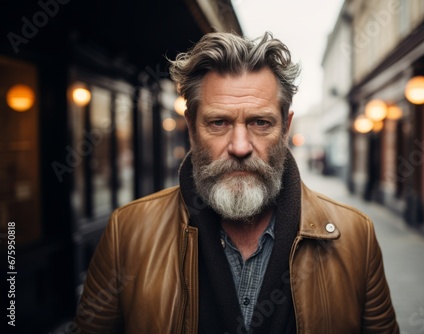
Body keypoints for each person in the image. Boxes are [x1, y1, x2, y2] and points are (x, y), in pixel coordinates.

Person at [75, 31, 399, 333]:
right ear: (191, 126)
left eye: (261, 123)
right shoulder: (127, 234)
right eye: (218, 123)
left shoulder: (355, 238)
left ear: (285, 127)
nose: (240, 146)